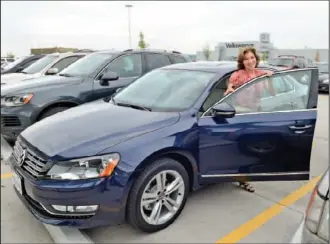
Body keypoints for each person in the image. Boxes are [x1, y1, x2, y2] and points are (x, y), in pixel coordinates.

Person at [224, 47, 275, 193]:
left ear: (256, 59)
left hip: (256, 114)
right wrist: (229, 89)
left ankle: (244, 175)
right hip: (240, 114)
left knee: (252, 148)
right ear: (242, 62)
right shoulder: (238, 75)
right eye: (246, 59)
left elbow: (271, 93)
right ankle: (243, 178)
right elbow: (229, 88)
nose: (249, 61)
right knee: (241, 148)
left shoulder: (261, 74)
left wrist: (270, 79)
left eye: (252, 58)